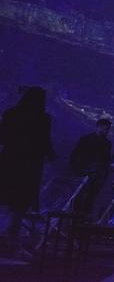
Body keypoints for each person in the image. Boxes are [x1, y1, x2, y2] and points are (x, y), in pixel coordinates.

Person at [0, 86, 55, 259]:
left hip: (9, 162)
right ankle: (13, 240)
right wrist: (51, 156)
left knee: (7, 199)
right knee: (20, 203)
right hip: (30, 166)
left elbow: (2, 136)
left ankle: (9, 238)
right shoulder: (43, 118)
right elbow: (45, 141)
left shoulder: (11, 113)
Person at [70, 118, 113, 216]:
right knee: (79, 199)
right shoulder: (86, 140)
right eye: (106, 129)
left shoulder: (107, 143)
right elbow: (75, 156)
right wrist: (78, 170)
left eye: (108, 129)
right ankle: (76, 220)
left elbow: (106, 161)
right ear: (99, 126)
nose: (107, 131)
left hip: (96, 177)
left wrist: (103, 175)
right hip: (84, 175)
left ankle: (83, 220)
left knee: (90, 200)